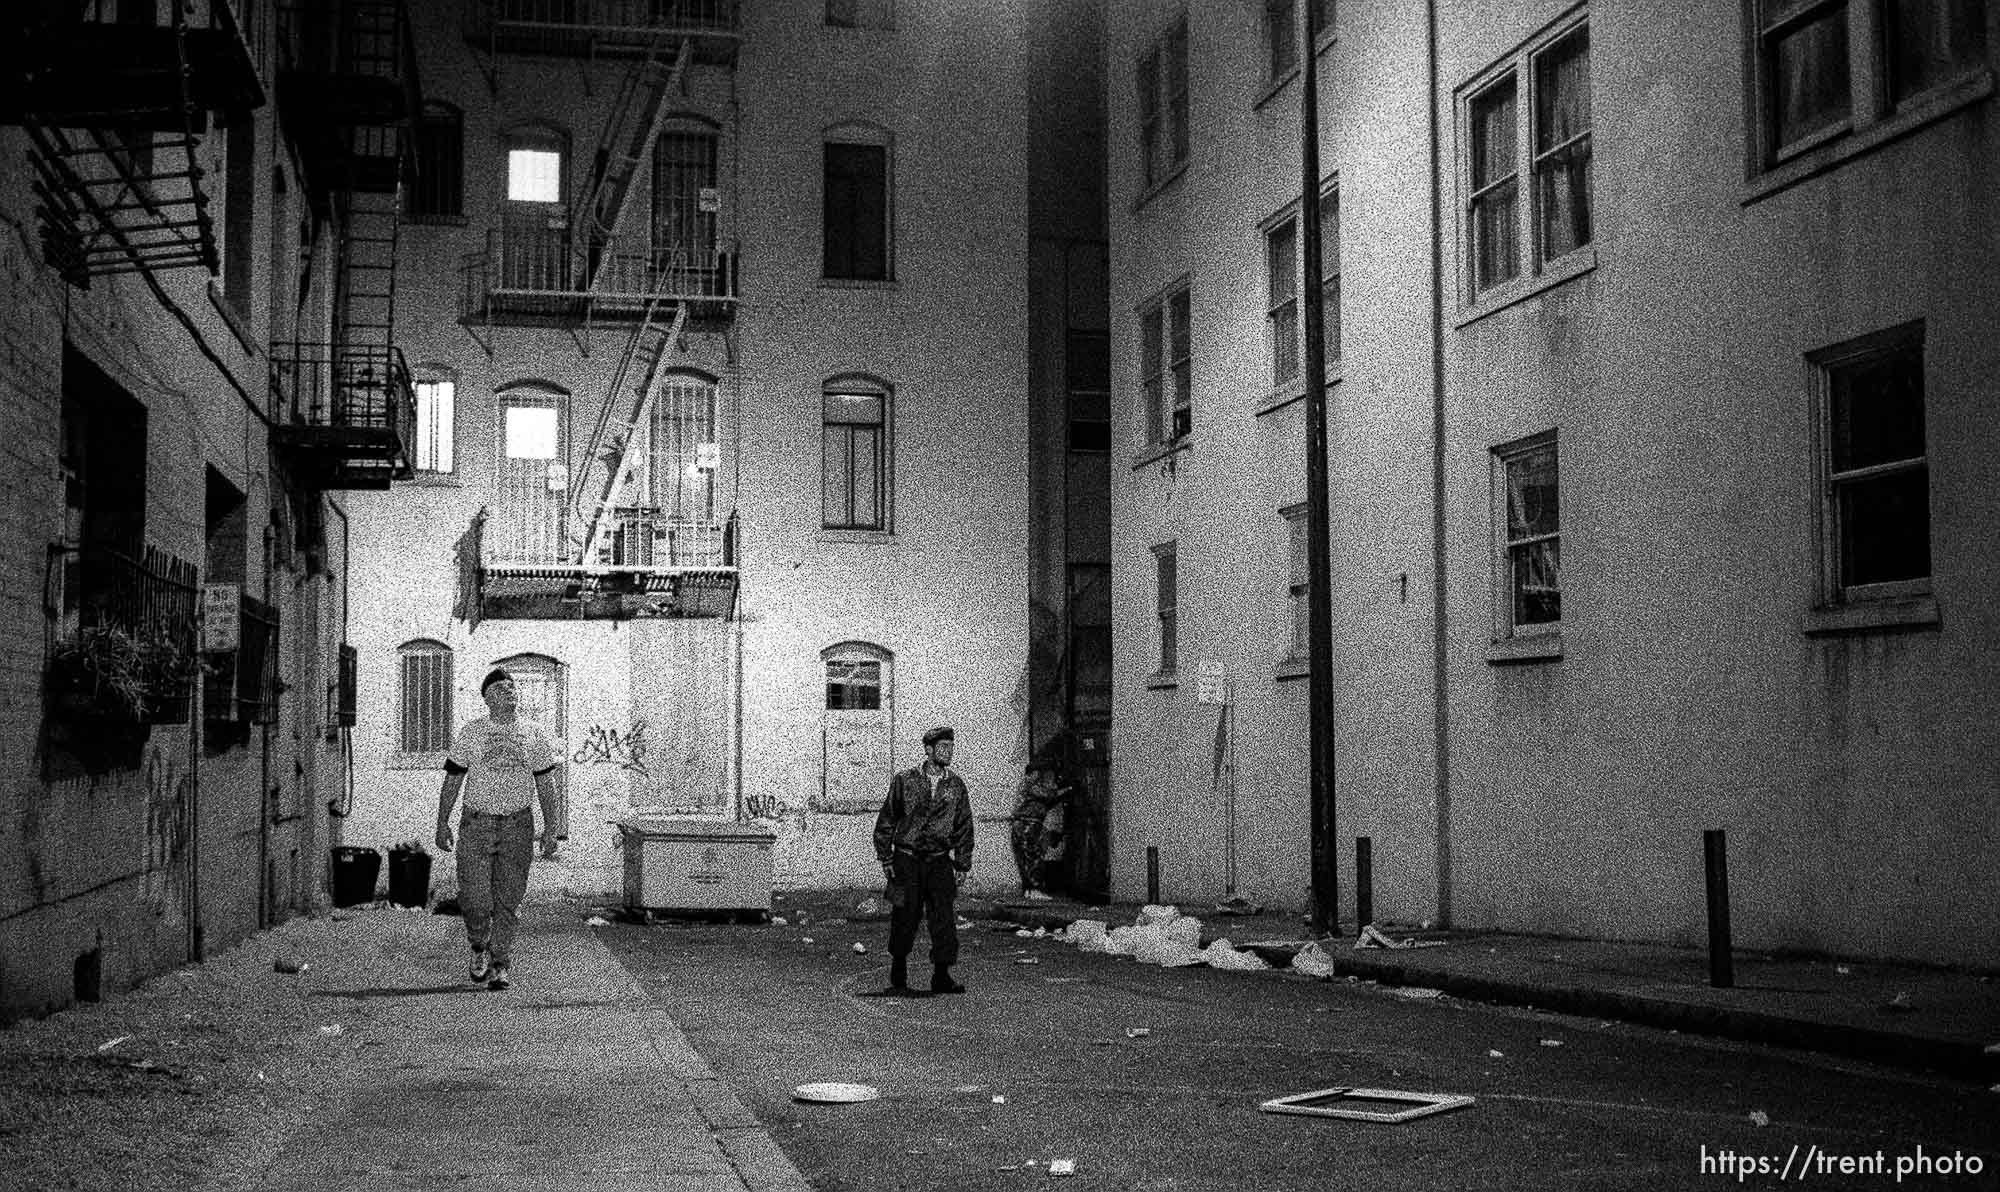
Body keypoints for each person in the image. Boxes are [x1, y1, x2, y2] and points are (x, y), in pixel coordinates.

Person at [434, 668, 561, 991]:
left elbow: (546, 783)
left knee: (509, 900)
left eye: (512, 687)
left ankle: (500, 963)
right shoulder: (472, 732)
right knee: (474, 897)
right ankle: (479, 946)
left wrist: (551, 828)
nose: (510, 691)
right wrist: (442, 821)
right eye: (501, 688)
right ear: (487, 698)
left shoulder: (533, 733)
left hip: (517, 825)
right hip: (476, 824)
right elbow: (453, 779)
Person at [871, 726, 975, 997]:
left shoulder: (955, 786)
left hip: (940, 861)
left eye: (951, 747)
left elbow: (964, 826)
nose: (948, 752)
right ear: (928, 750)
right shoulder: (905, 780)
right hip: (907, 861)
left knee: (944, 920)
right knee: (904, 916)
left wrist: (962, 864)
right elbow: (887, 819)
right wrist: (886, 857)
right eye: (942, 747)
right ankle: (898, 972)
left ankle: (941, 975)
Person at [1009, 761, 1064, 901]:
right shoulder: (1030, 784)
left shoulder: (1026, 784)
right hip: (1027, 825)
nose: (1039, 777)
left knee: (1025, 858)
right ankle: (1035, 889)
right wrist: (1067, 790)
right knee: (1033, 857)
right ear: (1032, 773)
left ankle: (1029, 890)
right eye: (1037, 774)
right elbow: (1048, 796)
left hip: (1023, 824)